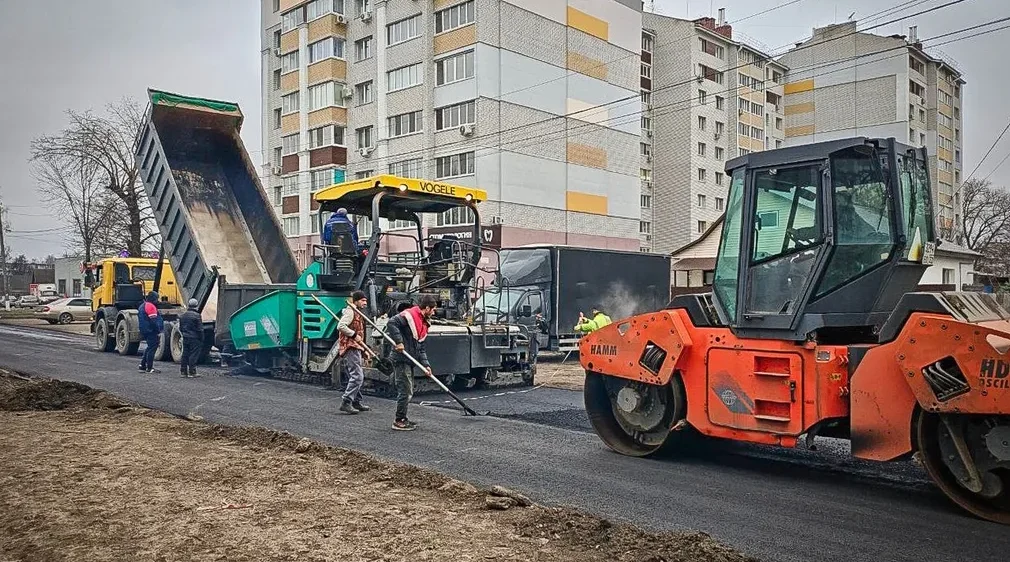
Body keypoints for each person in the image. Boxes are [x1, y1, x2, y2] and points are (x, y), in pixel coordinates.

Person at [385, 294, 437, 431]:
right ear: (427, 308)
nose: (434, 312)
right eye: (433, 309)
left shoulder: (423, 323)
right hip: (401, 358)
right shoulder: (409, 316)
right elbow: (391, 323)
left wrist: (426, 365)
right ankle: (399, 420)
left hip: (409, 360)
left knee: (408, 389)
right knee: (406, 390)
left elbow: (421, 347)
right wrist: (399, 342)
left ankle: (403, 417)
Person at [337, 290, 371, 414]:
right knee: (357, 376)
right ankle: (346, 402)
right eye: (363, 300)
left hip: (356, 346)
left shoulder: (358, 312)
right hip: (350, 346)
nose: (365, 303)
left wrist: (364, 350)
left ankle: (356, 401)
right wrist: (354, 335)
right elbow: (341, 326)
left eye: (366, 300)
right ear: (356, 301)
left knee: (356, 375)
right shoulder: (350, 311)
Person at [137, 291, 164, 374]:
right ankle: (149, 368)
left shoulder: (142, 306)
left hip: (145, 330)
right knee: (152, 348)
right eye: (157, 298)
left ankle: (142, 365)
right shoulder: (151, 306)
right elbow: (154, 321)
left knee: (149, 347)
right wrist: (158, 330)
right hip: (151, 331)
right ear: (153, 298)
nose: (157, 300)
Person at [178, 298, 203, 378]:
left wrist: (184, 334)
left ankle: (183, 372)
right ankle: (192, 371)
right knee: (193, 354)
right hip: (195, 338)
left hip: (186, 337)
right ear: (196, 305)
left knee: (185, 354)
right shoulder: (197, 316)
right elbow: (200, 329)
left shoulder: (183, 315)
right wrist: (201, 338)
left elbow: (180, 328)